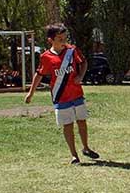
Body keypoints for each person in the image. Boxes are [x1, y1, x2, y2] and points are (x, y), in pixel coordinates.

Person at [25, 23, 100, 164]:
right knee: (68, 125)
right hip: (61, 96)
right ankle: (74, 155)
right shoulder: (46, 57)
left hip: (77, 94)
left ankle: (86, 148)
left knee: (82, 122)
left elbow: (83, 63)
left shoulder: (72, 51)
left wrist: (80, 76)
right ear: (51, 40)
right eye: (60, 39)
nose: (63, 42)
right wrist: (30, 93)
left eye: (65, 38)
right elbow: (39, 74)